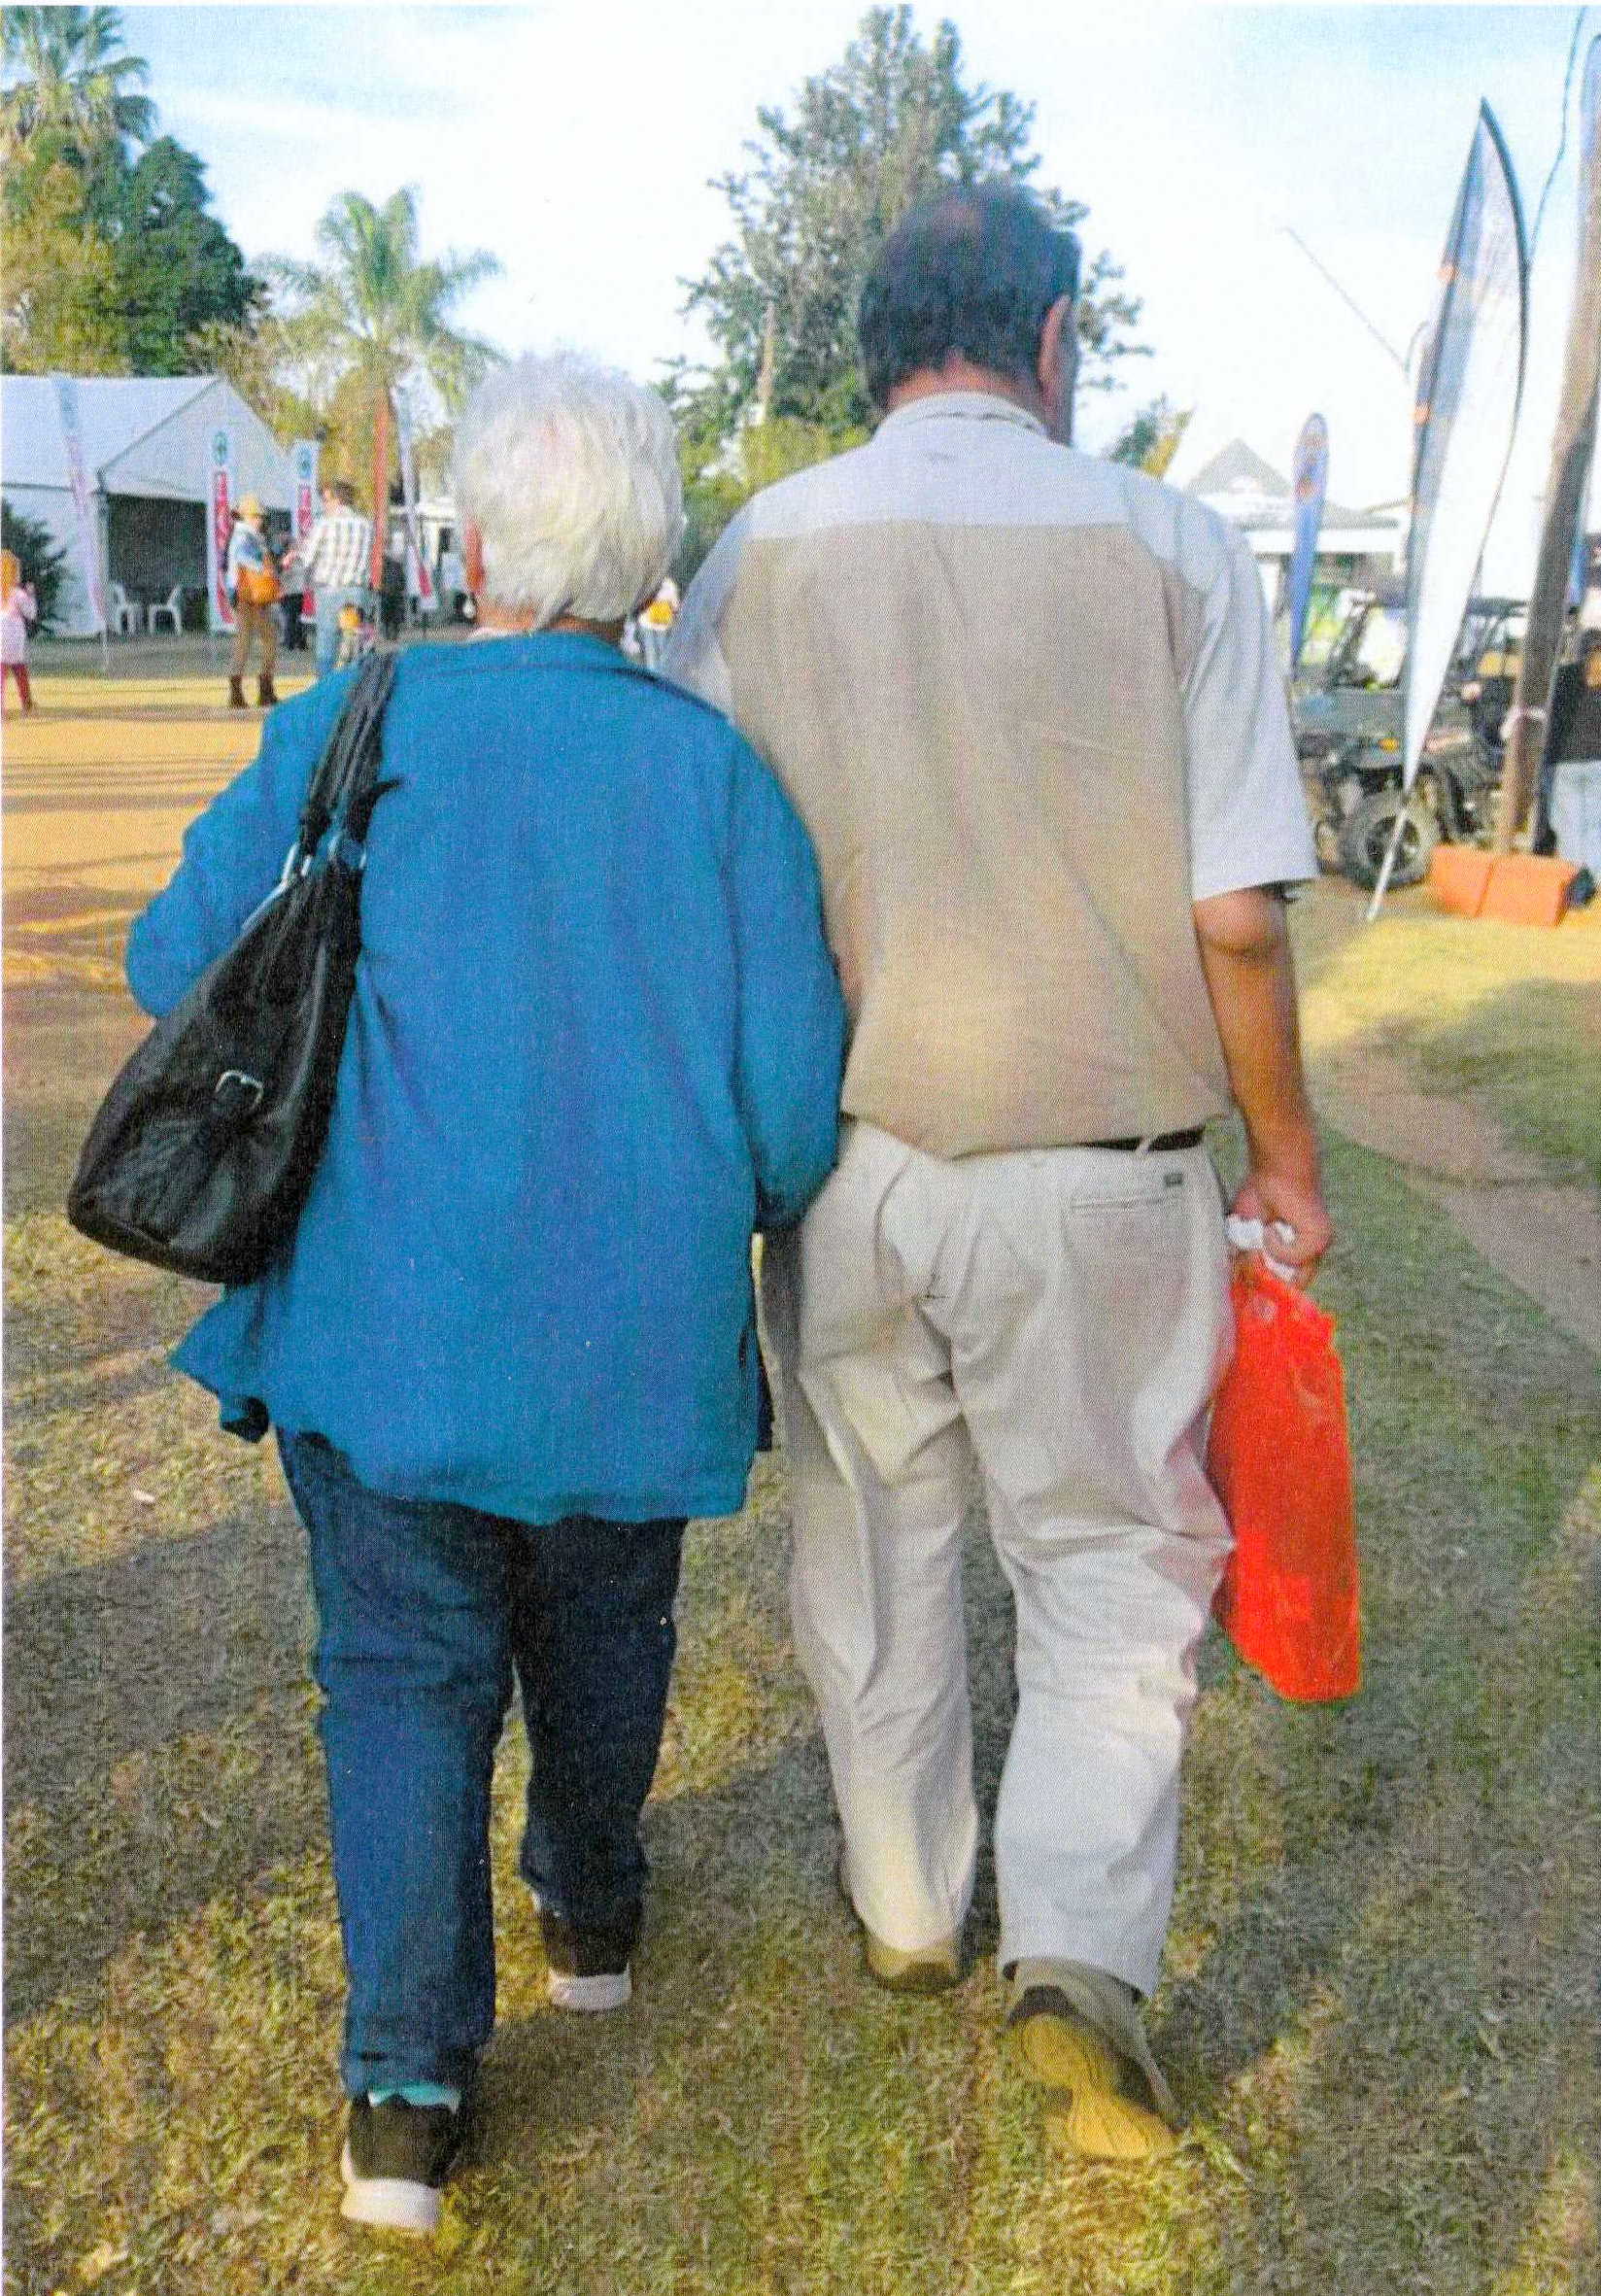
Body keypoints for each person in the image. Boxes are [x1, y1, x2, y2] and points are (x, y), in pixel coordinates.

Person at [123, 351, 845, 2238]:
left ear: (477, 540)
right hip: (634, 1334)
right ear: (648, 553)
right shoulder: (717, 773)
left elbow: (172, 957)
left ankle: (406, 2091)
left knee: (400, 1676)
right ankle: (588, 1913)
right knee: (608, 1634)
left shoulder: (355, 718)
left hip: (386, 1331)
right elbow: (791, 1107)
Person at [666, 185, 1332, 2166]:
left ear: (873, 342)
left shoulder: (755, 549)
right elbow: (1235, 913)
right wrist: (1286, 1155)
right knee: (1113, 1558)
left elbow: (702, 866)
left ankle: (901, 1904)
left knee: (871, 1534)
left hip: (850, 1155)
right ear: (1051, 337)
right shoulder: (1173, 544)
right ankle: (1076, 1943)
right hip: (1105, 1166)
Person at [288, 479, 373, 677]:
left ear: (337, 500)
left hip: (330, 590)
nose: (324, 505)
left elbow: (307, 558)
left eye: (326, 500)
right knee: (356, 643)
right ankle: (356, 683)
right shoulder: (365, 525)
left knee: (327, 644)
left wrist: (293, 555)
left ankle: (326, 686)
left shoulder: (324, 524)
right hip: (357, 591)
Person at [223, 496, 280, 709]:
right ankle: (246, 690)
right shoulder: (243, 535)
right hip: (247, 596)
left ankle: (259, 688)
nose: (259, 520)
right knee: (249, 641)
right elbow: (240, 556)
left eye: (261, 516)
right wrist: (262, 568)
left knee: (262, 640)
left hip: (255, 595)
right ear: (245, 516)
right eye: (255, 516)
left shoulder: (253, 535)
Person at [2, 549, 38, 712]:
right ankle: (26, 703)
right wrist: (31, 595)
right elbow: (31, 613)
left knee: (2, 669)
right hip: (14, 635)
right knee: (19, 668)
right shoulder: (17, 593)